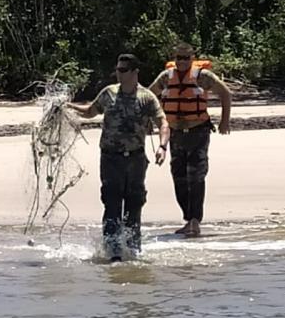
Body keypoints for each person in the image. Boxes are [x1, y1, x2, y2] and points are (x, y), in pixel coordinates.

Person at [68, 54, 170, 261]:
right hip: (110, 159)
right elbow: (90, 112)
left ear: (134, 72)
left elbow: (163, 123)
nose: (118, 73)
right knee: (112, 204)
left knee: (134, 204)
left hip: (135, 160)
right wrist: (68, 107)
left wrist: (162, 146)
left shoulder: (146, 97)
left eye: (123, 70)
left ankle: (132, 252)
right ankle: (113, 252)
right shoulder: (109, 93)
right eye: (117, 70)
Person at [149, 42, 231, 237]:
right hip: (175, 134)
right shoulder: (166, 77)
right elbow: (149, 96)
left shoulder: (203, 76)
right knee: (179, 176)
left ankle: (195, 221)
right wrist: (150, 120)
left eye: (186, 58)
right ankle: (188, 219)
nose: (183, 61)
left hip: (198, 132)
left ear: (192, 58)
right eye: (179, 58)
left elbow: (225, 94)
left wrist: (224, 122)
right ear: (174, 58)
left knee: (196, 176)